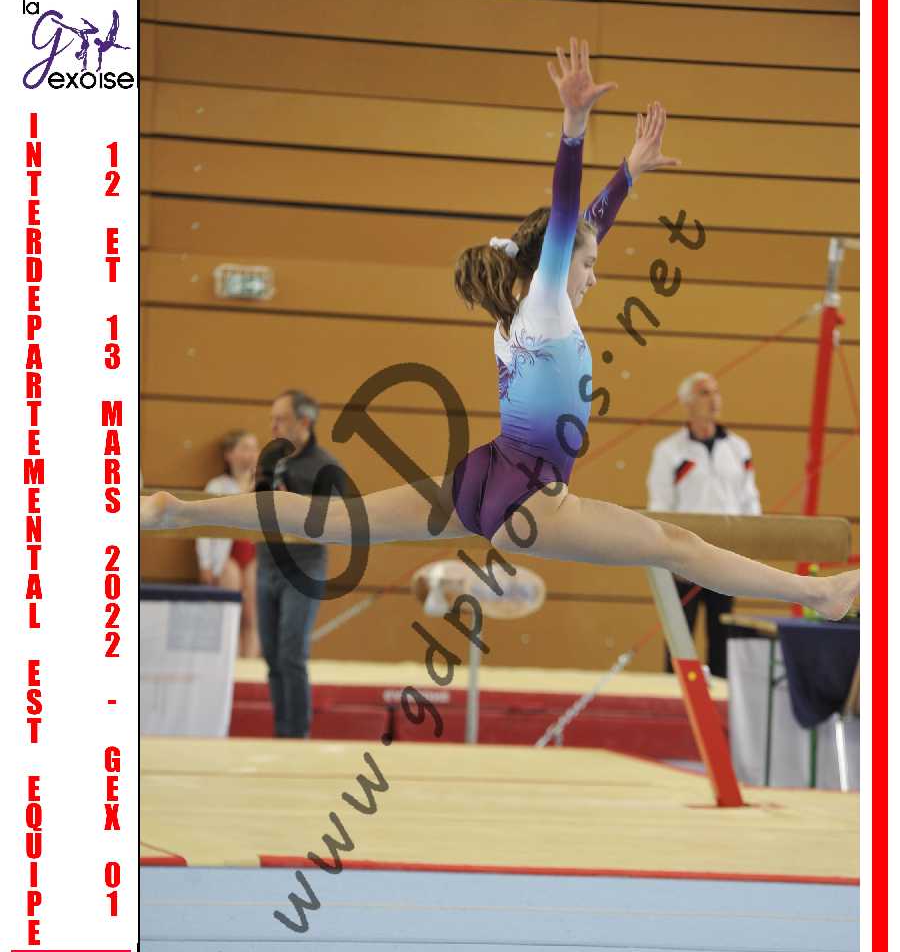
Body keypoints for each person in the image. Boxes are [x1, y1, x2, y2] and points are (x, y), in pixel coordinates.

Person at [141, 38, 859, 632]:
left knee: (337, 519)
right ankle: (821, 593)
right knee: (674, 545)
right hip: (529, 497)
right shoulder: (545, 305)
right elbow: (568, 214)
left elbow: (583, 225)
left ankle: (176, 511)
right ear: (560, 263)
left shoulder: (521, 311)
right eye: (589, 266)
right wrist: (573, 127)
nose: (594, 276)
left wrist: (629, 173)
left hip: (484, 478)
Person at [647, 374, 761, 677]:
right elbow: (660, 505)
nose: (714, 399)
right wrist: (665, 554)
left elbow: (749, 500)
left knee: (721, 640)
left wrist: (752, 543)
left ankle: (722, 699)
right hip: (684, 558)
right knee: (679, 640)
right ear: (687, 403)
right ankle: (672, 696)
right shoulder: (669, 451)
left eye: (716, 392)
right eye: (704, 393)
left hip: (724, 557)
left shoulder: (739, 448)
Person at [254, 390, 346, 739]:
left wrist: (292, 503)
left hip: (303, 568)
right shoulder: (270, 460)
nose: (273, 426)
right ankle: (282, 732)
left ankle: (296, 735)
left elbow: (338, 520)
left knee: (291, 655)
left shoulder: (326, 466)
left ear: (304, 422)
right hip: (267, 564)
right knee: (272, 656)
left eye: (280, 419)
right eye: (272, 419)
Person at [196, 429, 261, 658]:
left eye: (254, 448)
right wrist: (205, 564)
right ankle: (229, 664)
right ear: (229, 454)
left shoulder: (265, 485)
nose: (251, 453)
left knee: (252, 617)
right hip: (227, 556)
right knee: (230, 614)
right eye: (245, 448)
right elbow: (202, 529)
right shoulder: (217, 486)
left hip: (255, 555)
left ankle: (250, 666)